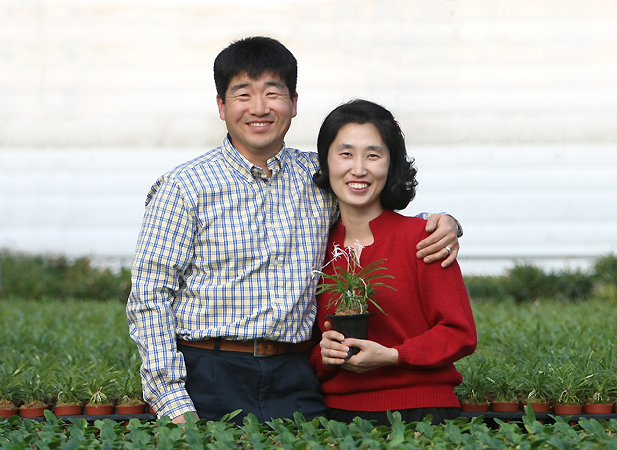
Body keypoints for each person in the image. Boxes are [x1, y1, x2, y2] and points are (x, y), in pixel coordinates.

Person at [126, 36, 461, 425]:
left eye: (273, 93)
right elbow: (149, 295)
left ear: (294, 103)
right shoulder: (185, 187)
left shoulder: (317, 178)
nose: (259, 108)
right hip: (210, 371)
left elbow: (376, 207)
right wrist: (172, 401)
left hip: (295, 377)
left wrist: (446, 222)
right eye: (243, 94)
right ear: (221, 106)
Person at [309, 100, 477, 426]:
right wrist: (324, 356)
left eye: (373, 155)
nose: (359, 169)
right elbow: (308, 347)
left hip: (423, 411)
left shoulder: (424, 238)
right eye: (345, 154)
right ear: (326, 162)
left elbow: (459, 333)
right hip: (336, 417)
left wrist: (395, 356)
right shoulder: (315, 249)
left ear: (391, 164)